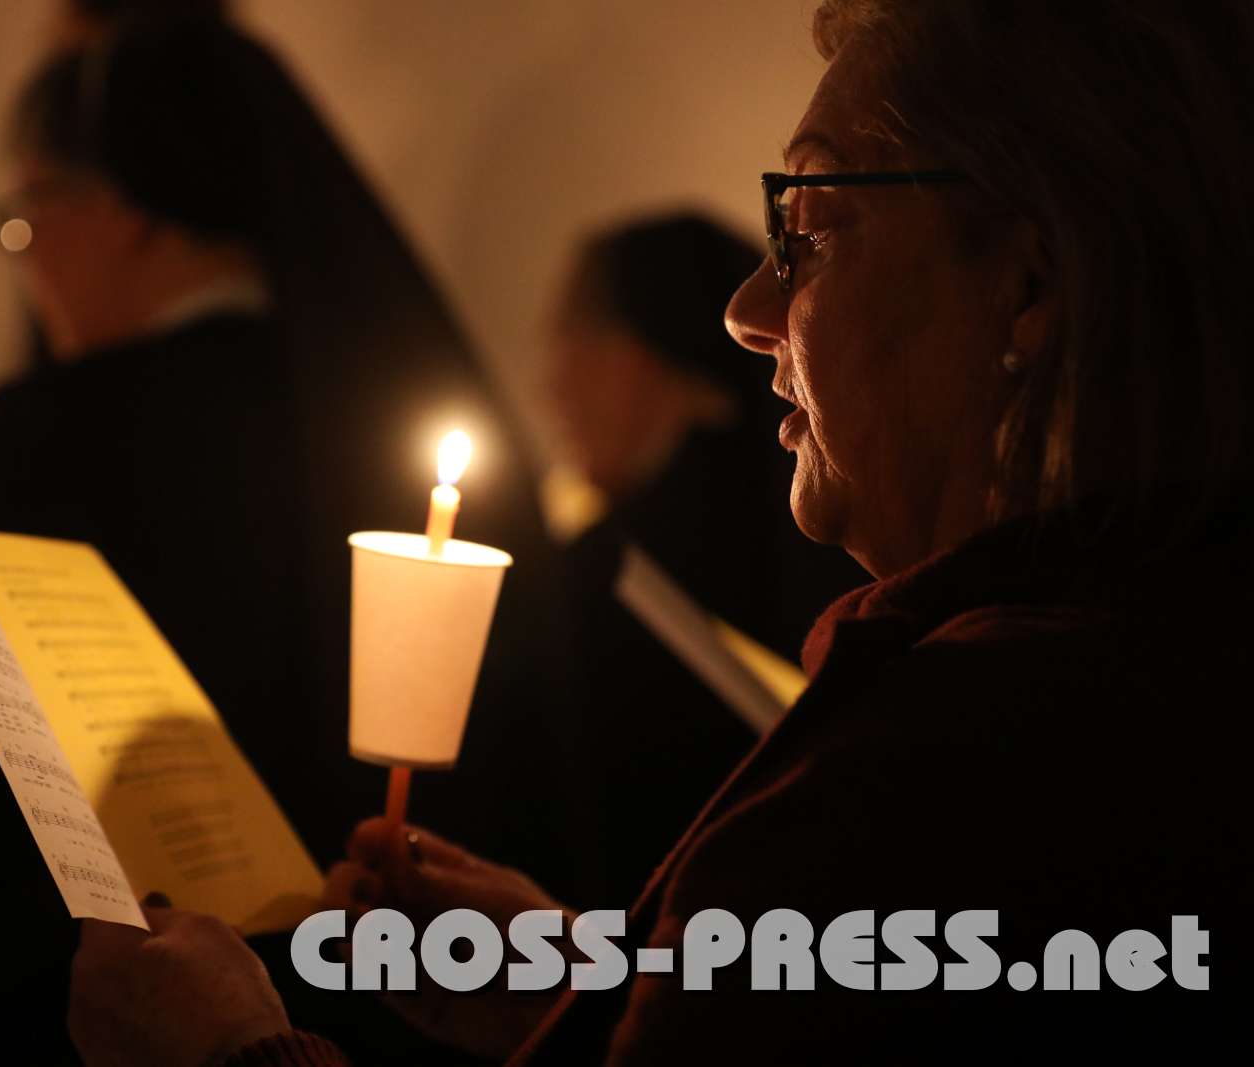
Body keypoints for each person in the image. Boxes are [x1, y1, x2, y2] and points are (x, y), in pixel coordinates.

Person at [65, 1, 1252, 1061]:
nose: (747, 309)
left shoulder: (947, 774)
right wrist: (600, 990)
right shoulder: (1169, 643)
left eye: (809, 227)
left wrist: (232, 1050)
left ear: (1028, 285)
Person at [0, 17, 584, 1061]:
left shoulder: (45, 441)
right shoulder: (386, 410)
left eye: (29, 214)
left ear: (126, 212)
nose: (28, 259)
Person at [544, 212, 865, 904]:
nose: (552, 385)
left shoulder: (616, 567)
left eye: (571, 337)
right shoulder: (826, 519)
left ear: (645, 348)